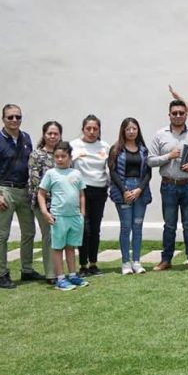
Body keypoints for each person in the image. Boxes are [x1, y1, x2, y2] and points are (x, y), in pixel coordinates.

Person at [148, 99, 188, 271]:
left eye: (181, 113)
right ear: (169, 115)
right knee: (169, 225)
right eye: (174, 113)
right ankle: (165, 260)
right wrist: (168, 156)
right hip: (169, 185)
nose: (178, 115)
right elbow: (150, 160)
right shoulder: (160, 135)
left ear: (186, 115)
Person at [37, 141, 89, 291]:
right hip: (58, 217)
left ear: (70, 157)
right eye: (57, 156)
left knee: (71, 247)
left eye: (63, 156)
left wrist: (82, 213)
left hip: (75, 217)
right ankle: (60, 278)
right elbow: (41, 193)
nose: (60, 159)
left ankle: (72, 275)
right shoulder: (51, 173)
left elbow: (81, 194)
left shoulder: (76, 173)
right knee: (58, 248)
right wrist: (45, 212)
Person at [0, 104, 40, 289]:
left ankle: (27, 269)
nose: (14, 120)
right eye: (10, 117)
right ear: (3, 119)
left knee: (29, 232)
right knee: (2, 235)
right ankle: (2, 273)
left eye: (18, 117)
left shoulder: (26, 138)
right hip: (5, 190)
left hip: (24, 190)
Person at [108, 118, 152, 275]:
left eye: (134, 128)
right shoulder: (116, 149)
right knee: (126, 226)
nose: (131, 131)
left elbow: (148, 173)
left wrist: (139, 189)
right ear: (123, 131)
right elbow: (112, 171)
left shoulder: (144, 150)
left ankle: (137, 262)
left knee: (137, 227)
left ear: (138, 130)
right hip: (123, 191)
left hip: (140, 191)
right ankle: (126, 262)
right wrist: (124, 190)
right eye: (128, 129)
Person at [69, 115, 109, 276]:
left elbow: (108, 169)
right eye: (88, 128)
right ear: (83, 129)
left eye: (95, 129)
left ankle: (93, 263)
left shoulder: (104, 146)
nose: (92, 132)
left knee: (95, 228)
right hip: (81, 192)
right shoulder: (74, 145)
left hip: (100, 191)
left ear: (99, 130)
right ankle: (83, 265)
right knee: (84, 229)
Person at [28, 121, 62, 283]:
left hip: (61, 203)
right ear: (44, 134)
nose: (52, 136)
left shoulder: (62, 154)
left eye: (56, 133)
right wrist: (52, 197)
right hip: (43, 203)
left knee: (59, 237)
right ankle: (51, 274)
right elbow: (36, 181)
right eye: (50, 133)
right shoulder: (36, 155)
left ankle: (59, 271)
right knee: (49, 236)